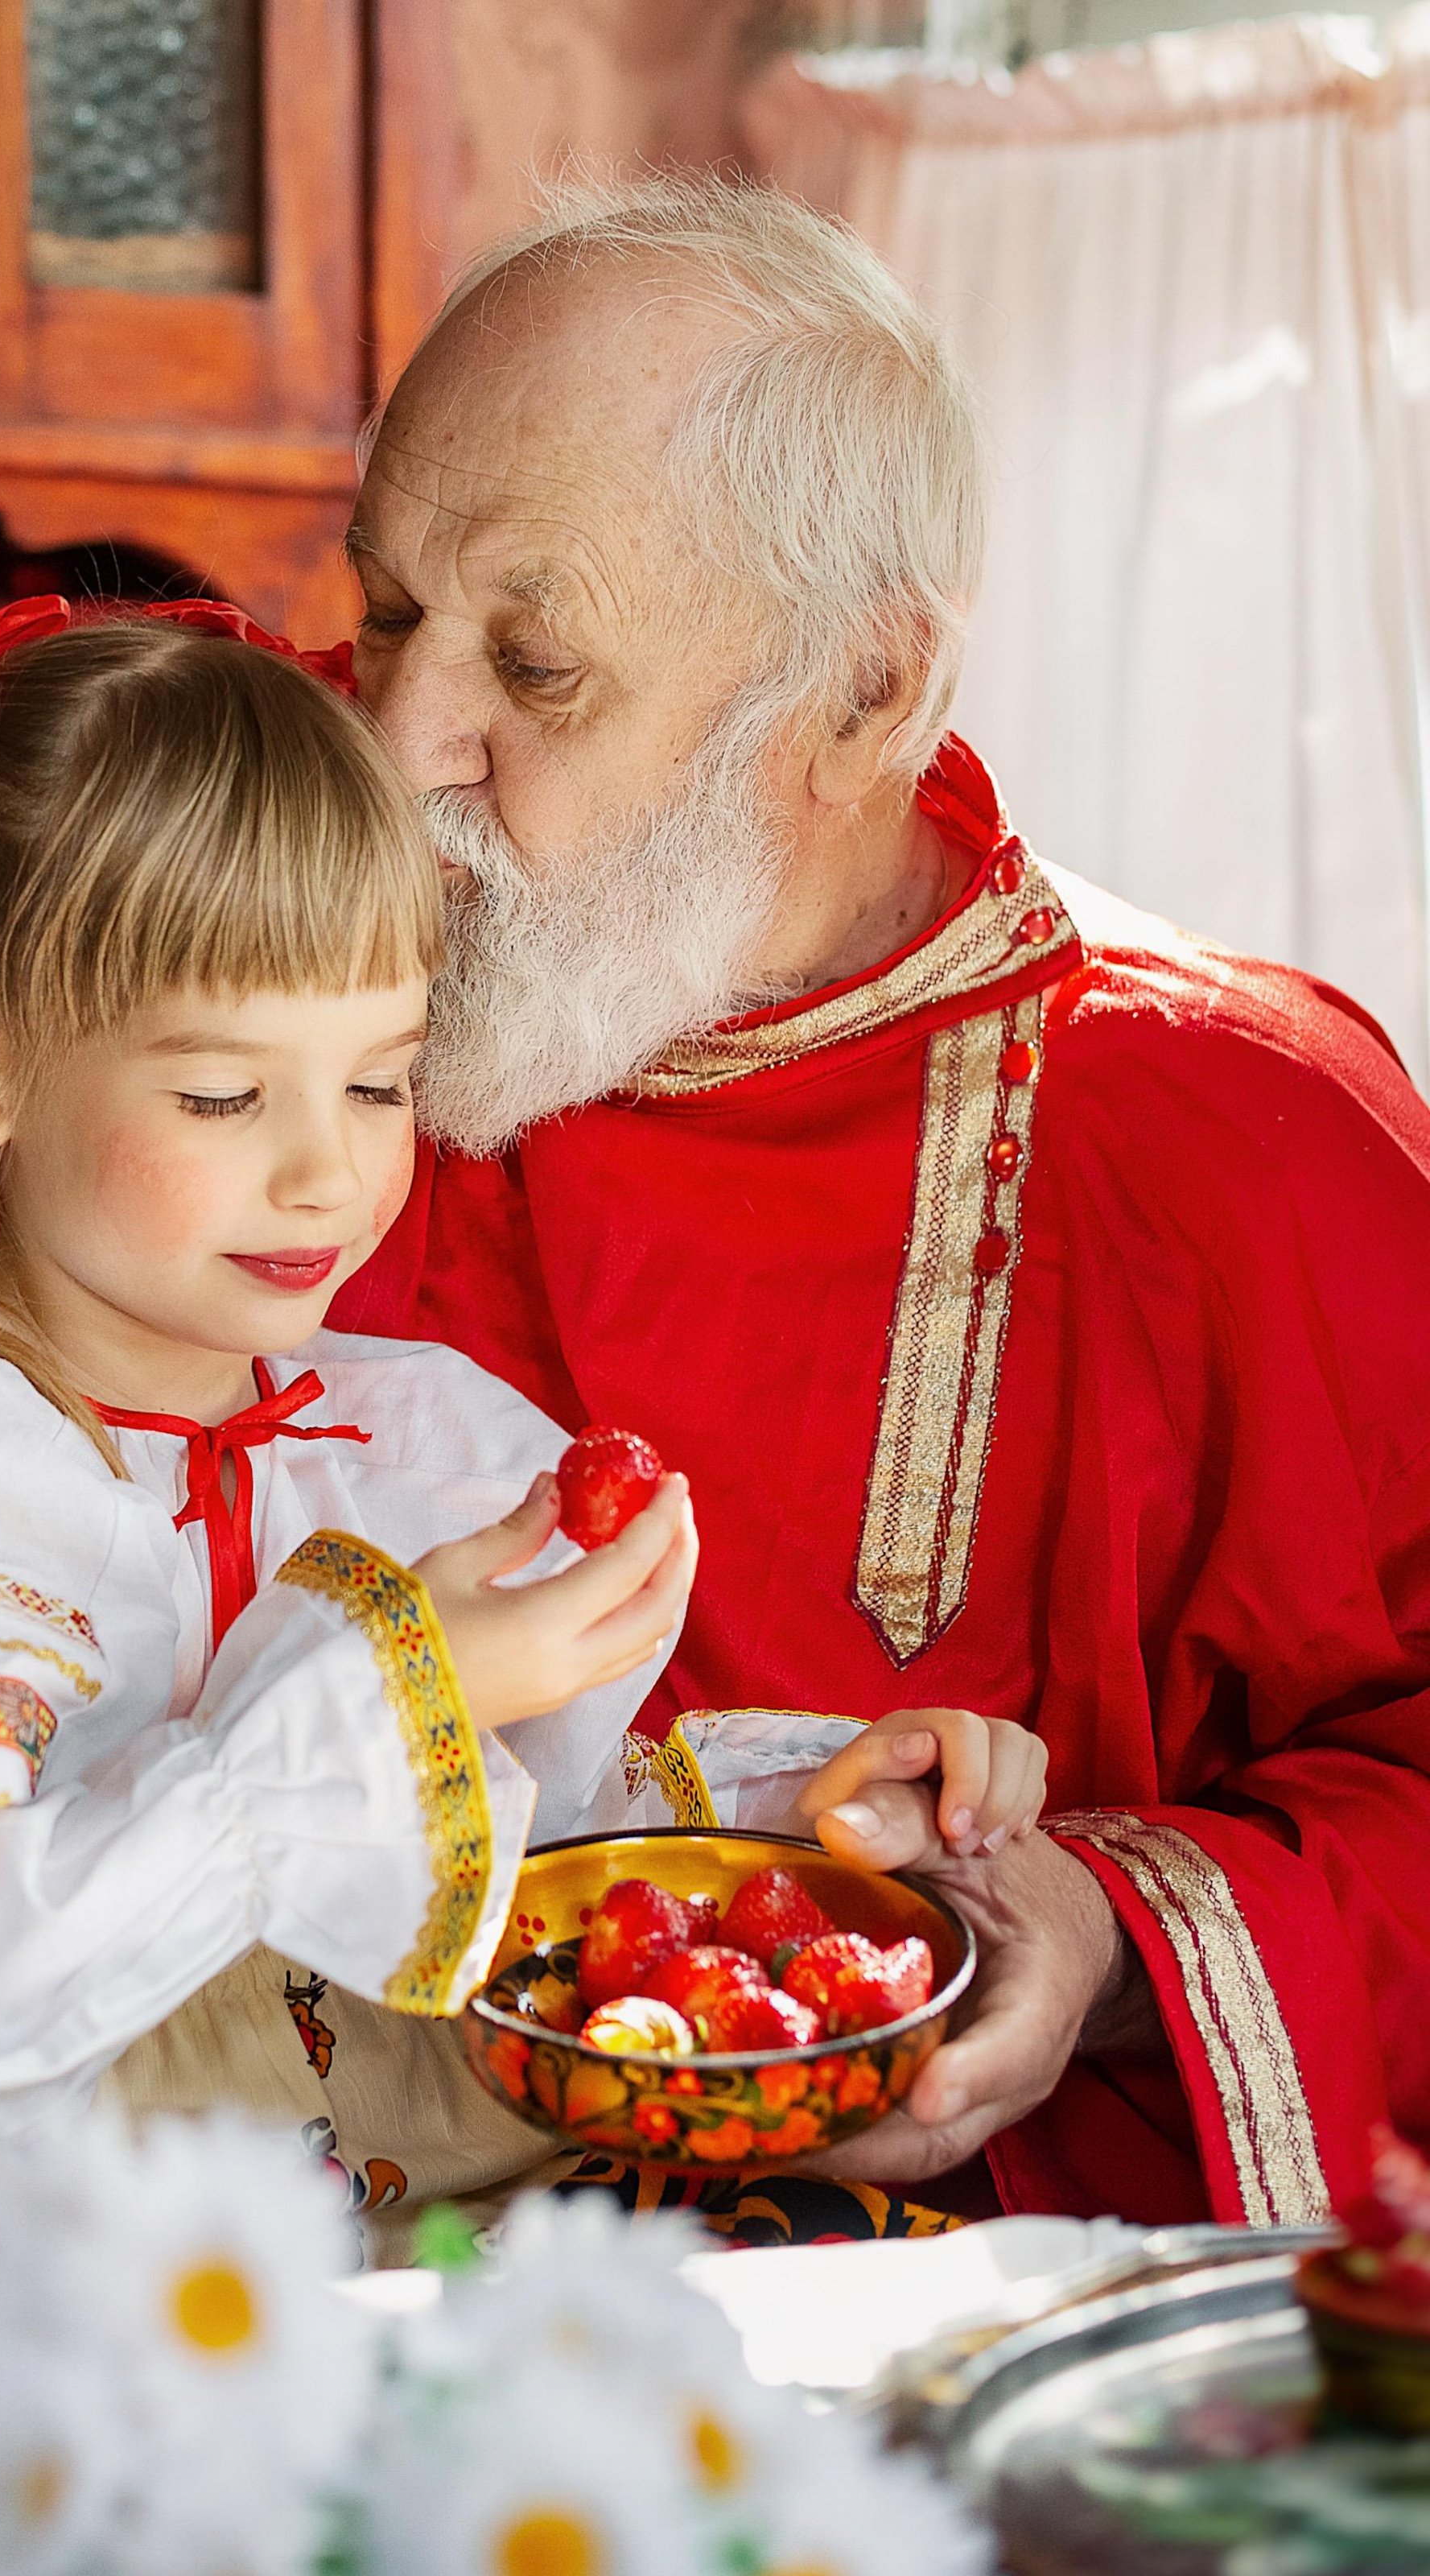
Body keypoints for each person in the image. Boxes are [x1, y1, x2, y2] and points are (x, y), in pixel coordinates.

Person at [0, 527, 1037, 2236]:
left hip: (444, 2271)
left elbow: (523, 1870)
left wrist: (807, 1811)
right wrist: (383, 1700)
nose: (326, 1176)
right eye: (225, 1098)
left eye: (378, 1084)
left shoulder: (422, 1436)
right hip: (96, 2314)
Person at [324, 175, 1430, 2227]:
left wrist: (1106, 1934)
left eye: (533, 665)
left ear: (859, 693)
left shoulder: (1246, 1138)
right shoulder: (258, 1022)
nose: (396, 749)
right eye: (385, 610)